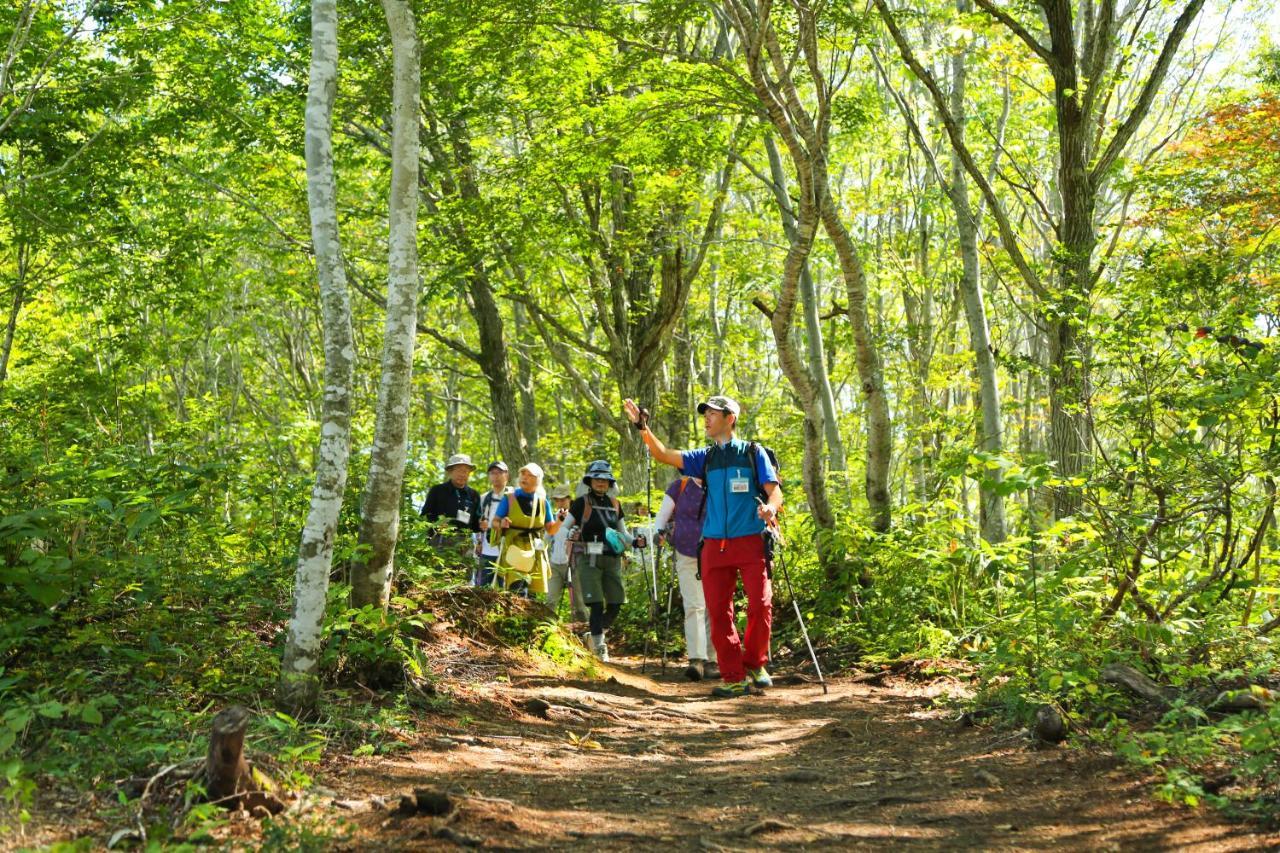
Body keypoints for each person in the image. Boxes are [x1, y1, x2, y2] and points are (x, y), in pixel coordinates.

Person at [623, 395, 781, 698]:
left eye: (713, 413)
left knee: (761, 605)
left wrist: (770, 510)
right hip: (712, 546)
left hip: (749, 540)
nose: (707, 418)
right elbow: (664, 454)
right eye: (705, 414)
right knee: (719, 613)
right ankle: (733, 677)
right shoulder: (704, 458)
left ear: (730, 418)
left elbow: (774, 493)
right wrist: (643, 428)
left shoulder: (753, 453)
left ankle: (755, 663)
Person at [565, 460, 647, 661]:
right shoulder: (581, 503)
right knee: (595, 603)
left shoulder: (615, 504)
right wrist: (572, 533)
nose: (601, 483)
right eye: (597, 479)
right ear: (590, 481)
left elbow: (623, 533)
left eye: (605, 479)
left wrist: (636, 542)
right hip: (589, 557)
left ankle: (592, 635)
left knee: (616, 602)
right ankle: (600, 646)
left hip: (612, 558)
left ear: (610, 483)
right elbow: (566, 527)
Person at [653, 475, 718, 681]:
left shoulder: (718, 483)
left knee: (714, 606)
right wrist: (658, 532)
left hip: (716, 553)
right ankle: (697, 660)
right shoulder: (679, 487)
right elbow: (662, 517)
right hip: (686, 552)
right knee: (694, 605)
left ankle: (713, 660)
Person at [493, 463, 561, 597]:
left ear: (538, 480)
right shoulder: (510, 498)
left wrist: (560, 520)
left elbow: (551, 530)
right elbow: (495, 522)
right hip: (513, 547)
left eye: (530, 475)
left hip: (535, 549)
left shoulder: (543, 502)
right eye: (523, 474)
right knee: (516, 587)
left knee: (531, 590)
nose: (525, 477)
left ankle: (528, 617)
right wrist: (502, 523)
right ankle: (513, 616)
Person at [420, 454, 481, 559]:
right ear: (450, 471)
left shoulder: (474, 495)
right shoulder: (437, 491)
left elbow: (475, 525)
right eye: (459, 470)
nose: (462, 474)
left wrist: (482, 525)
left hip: (465, 544)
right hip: (439, 540)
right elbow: (425, 516)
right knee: (438, 575)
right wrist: (436, 528)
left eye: (466, 471)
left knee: (463, 575)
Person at [546, 484, 588, 622]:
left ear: (569, 499)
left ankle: (586, 631)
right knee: (551, 600)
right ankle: (548, 629)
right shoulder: (552, 518)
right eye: (557, 500)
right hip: (554, 564)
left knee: (579, 604)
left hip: (574, 565)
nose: (560, 503)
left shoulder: (578, 518)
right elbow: (546, 539)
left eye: (563, 499)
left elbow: (585, 540)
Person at [474, 461, 510, 587]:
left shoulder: (513, 496)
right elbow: (478, 522)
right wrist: (478, 541)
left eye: (499, 472)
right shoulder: (483, 498)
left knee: (507, 589)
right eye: (492, 473)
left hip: (507, 550)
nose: (496, 476)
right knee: (482, 588)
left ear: (507, 475)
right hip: (486, 549)